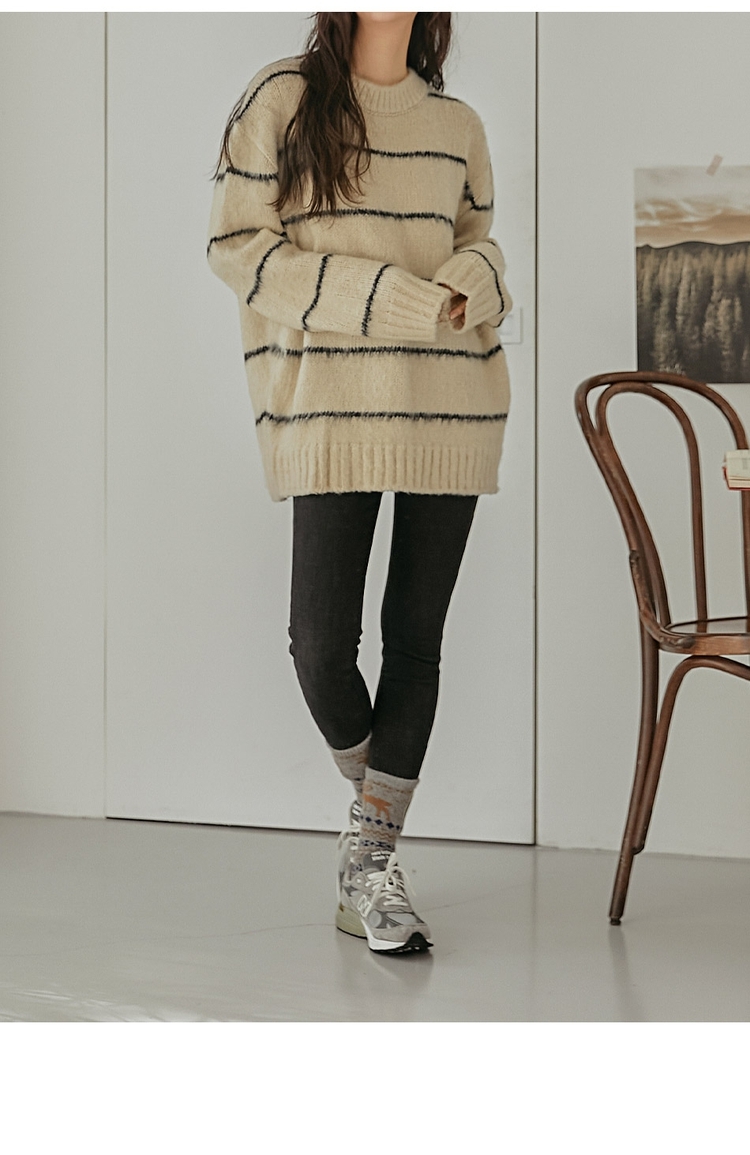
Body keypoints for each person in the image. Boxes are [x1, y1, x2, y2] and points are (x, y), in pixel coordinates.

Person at [206, 12, 512, 955]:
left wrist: (473, 282)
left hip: (452, 406)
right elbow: (240, 250)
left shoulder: (455, 124)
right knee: (319, 646)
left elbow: (484, 248)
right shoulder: (282, 99)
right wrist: (401, 301)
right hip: (330, 407)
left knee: (415, 642)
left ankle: (370, 868)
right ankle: (375, 826)